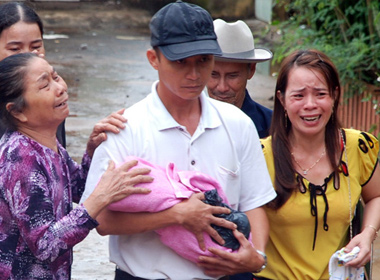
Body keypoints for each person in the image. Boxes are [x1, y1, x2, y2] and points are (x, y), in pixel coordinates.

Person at [80, 1, 276, 279]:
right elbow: (100, 219)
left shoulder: (237, 124)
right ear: (153, 59)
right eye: (180, 62)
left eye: (203, 61)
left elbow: (255, 203)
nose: (194, 74)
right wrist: (176, 215)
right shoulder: (126, 129)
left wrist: (255, 256)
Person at [0, 53, 154, 279]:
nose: (60, 87)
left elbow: (78, 188)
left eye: (56, 76)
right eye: (45, 85)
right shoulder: (21, 158)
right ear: (17, 111)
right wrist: (100, 198)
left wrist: (93, 150)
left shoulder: (46, 144)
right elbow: (45, 245)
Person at [256, 49, 380, 280]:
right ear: (282, 100)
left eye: (320, 94)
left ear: (334, 95)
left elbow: (376, 196)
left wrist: (368, 234)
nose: (310, 104)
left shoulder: (357, 147)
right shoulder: (260, 157)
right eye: (299, 96)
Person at [0, 1, 69, 147]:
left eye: (36, 47)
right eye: (15, 49)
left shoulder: (51, 96)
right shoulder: (16, 158)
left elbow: (59, 165)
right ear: (15, 110)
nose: (28, 56)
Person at [207, 19, 273, 138]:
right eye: (213, 74)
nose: (222, 87)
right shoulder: (185, 124)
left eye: (232, 76)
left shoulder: (272, 126)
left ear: (251, 70)